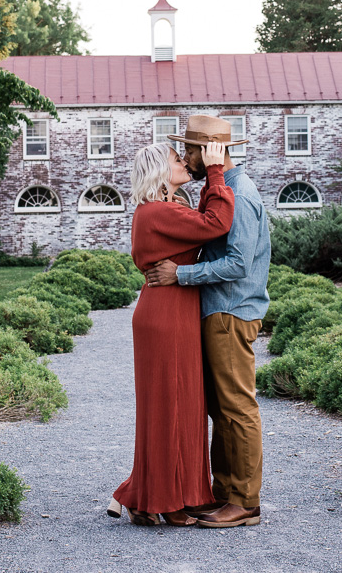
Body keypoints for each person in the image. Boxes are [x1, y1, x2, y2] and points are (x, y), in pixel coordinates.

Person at [145, 115, 271, 529]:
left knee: (237, 407)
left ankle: (245, 502)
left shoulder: (241, 192)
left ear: (208, 151)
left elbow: (236, 264)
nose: (184, 157)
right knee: (220, 409)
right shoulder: (221, 190)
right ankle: (224, 493)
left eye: (189, 150)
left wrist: (179, 275)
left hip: (231, 311)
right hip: (217, 310)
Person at [107, 140, 234, 527]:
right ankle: (162, 498)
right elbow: (217, 223)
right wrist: (215, 172)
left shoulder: (168, 209)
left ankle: (155, 497)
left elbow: (204, 222)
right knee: (167, 407)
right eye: (178, 160)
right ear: (161, 172)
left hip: (174, 310)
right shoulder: (156, 212)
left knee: (184, 405)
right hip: (164, 316)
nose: (184, 163)